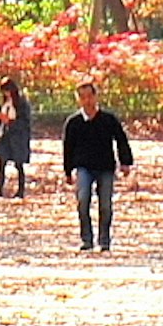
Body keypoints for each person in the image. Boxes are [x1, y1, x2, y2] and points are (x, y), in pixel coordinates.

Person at [63, 81, 138, 254]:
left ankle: (104, 240)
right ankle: (86, 239)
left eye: (90, 96)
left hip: (105, 167)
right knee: (83, 200)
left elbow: (121, 140)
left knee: (105, 205)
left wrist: (125, 162)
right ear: (78, 100)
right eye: (83, 97)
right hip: (83, 167)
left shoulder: (108, 120)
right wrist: (68, 171)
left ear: (96, 96)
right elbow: (68, 147)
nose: (87, 101)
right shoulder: (73, 123)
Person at [0, 79, 35, 198]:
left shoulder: (22, 104)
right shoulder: (5, 103)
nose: (6, 94)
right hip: (5, 136)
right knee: (2, 162)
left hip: (18, 137)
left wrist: (10, 122)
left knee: (19, 164)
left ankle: (20, 190)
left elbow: (25, 122)